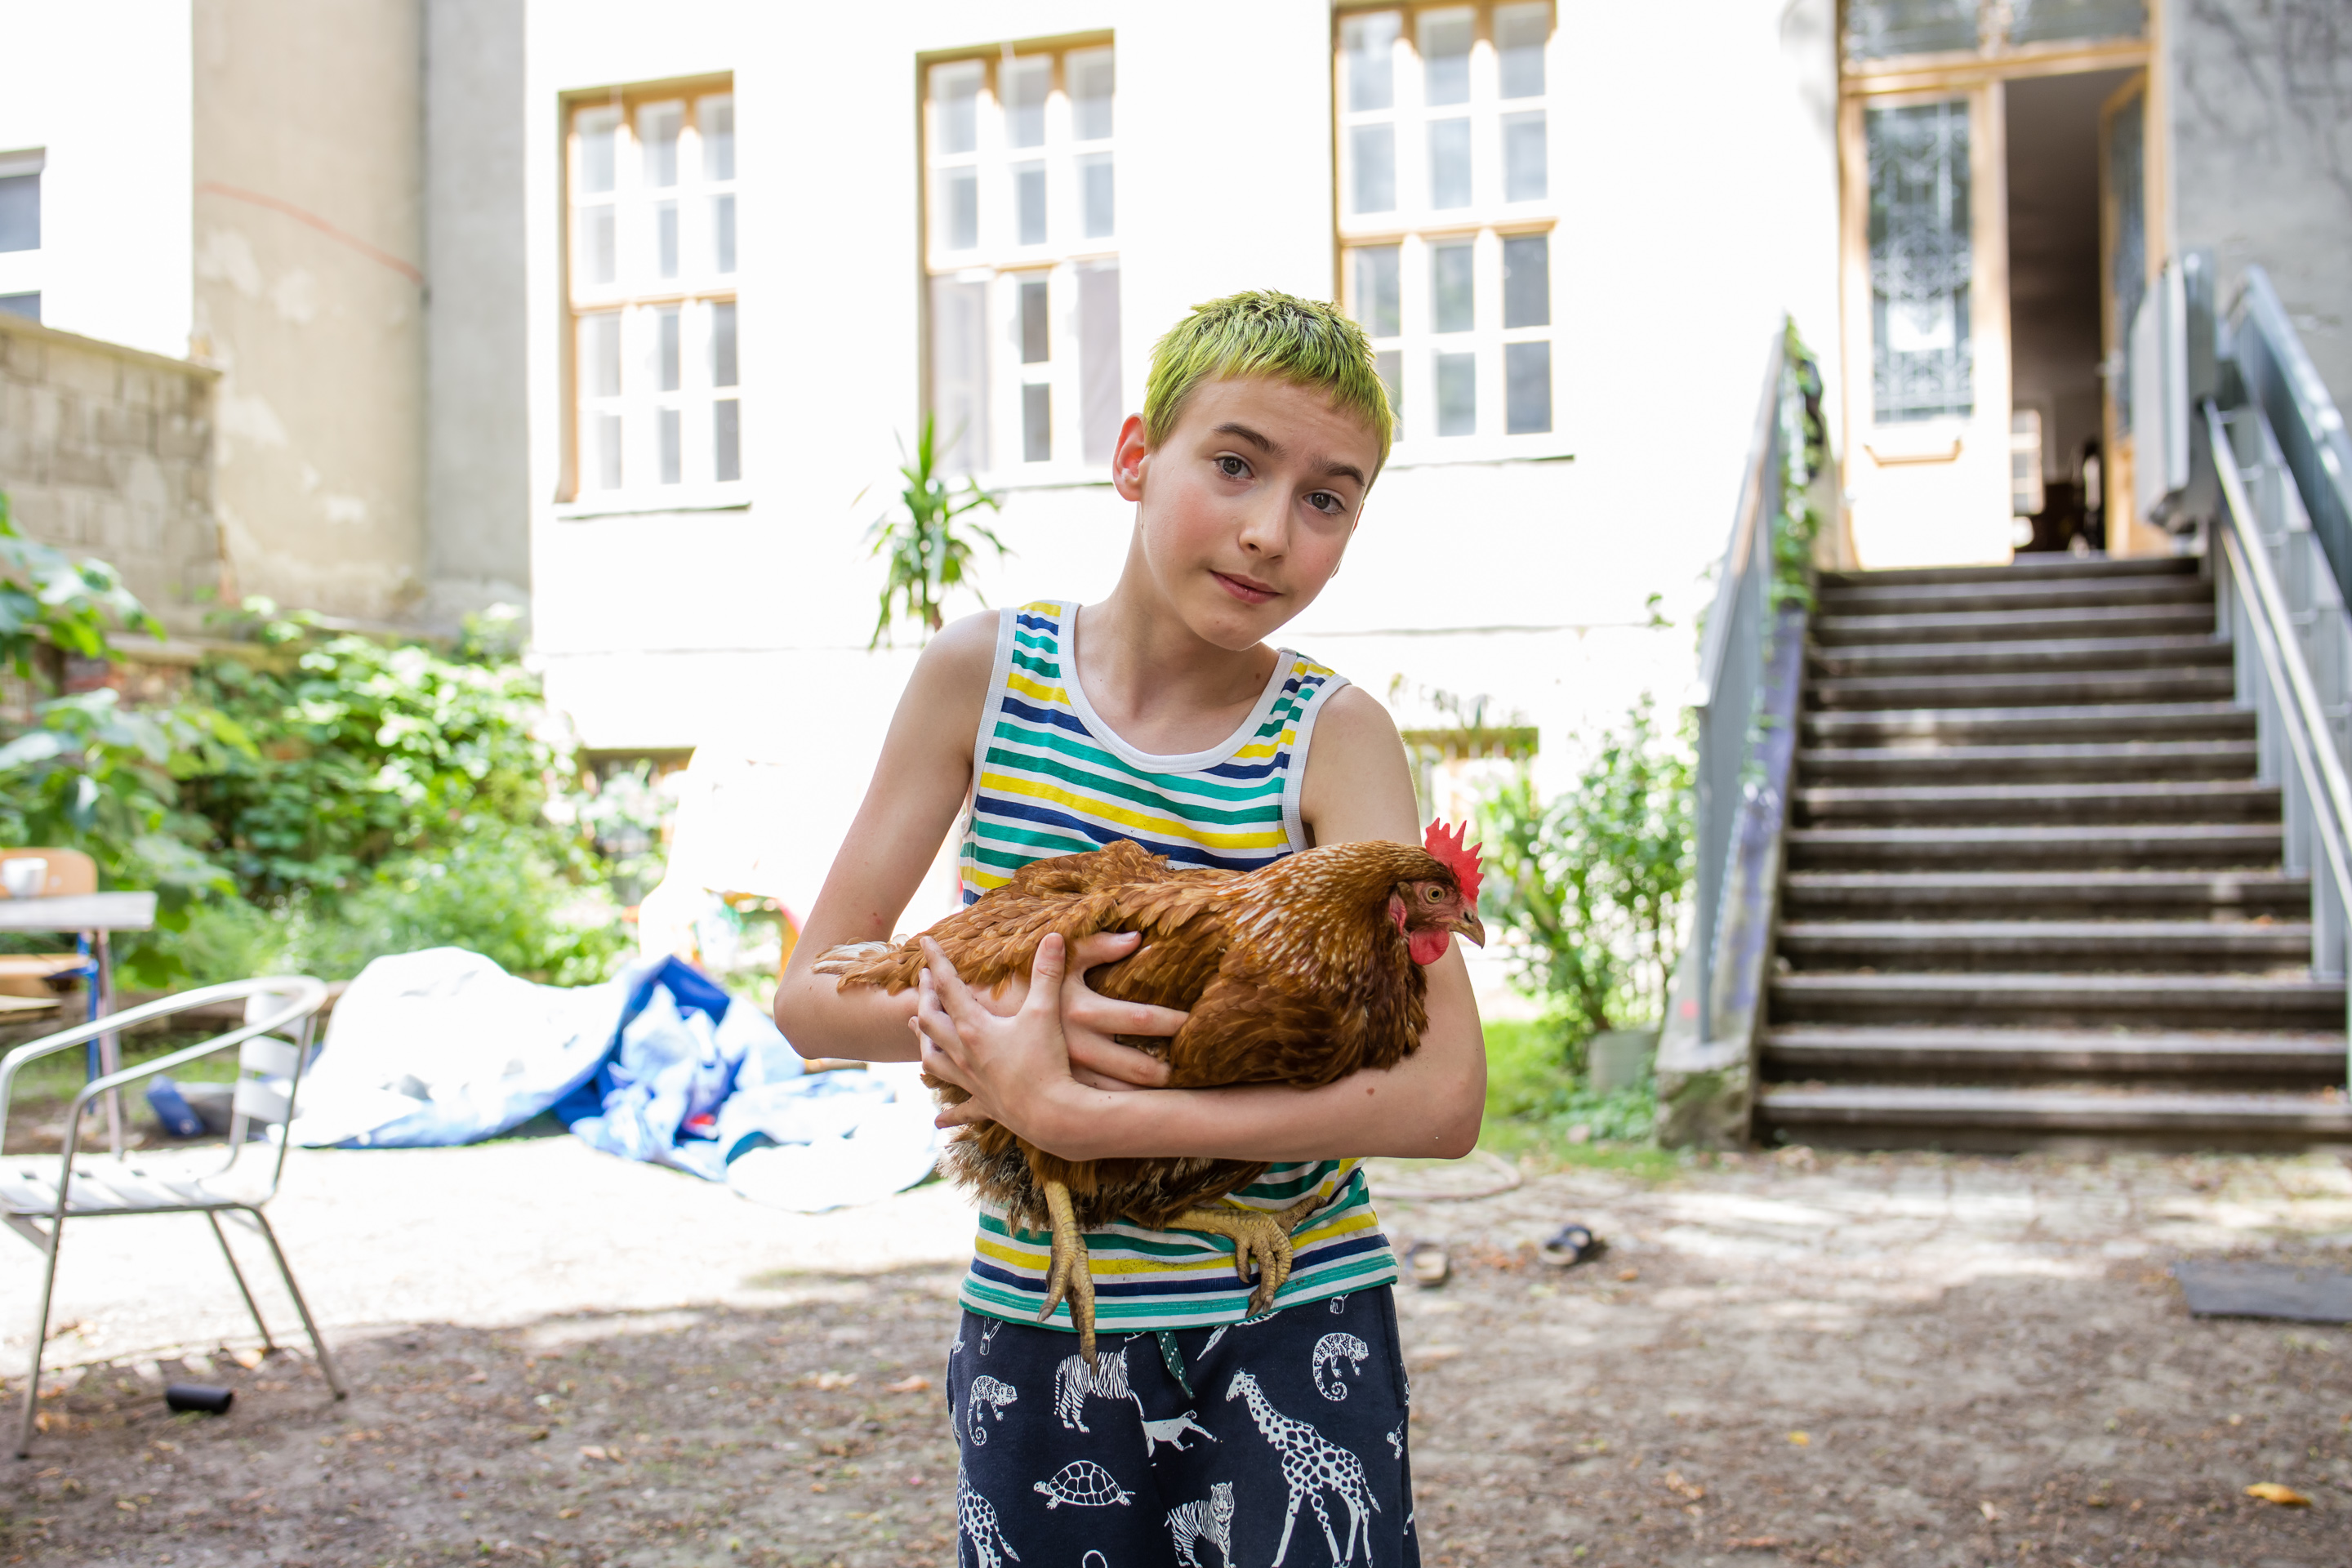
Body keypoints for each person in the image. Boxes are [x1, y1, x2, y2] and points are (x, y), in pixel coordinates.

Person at [774, 289, 1484, 1567]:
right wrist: (1002, 1036)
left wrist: (1097, 1114)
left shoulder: (1333, 734)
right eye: (1234, 465)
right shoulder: (981, 677)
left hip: (1297, 1302)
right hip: (1052, 1314)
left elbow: (1442, 1096)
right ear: (1135, 456)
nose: (1271, 531)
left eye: (1328, 499)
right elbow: (812, 997)